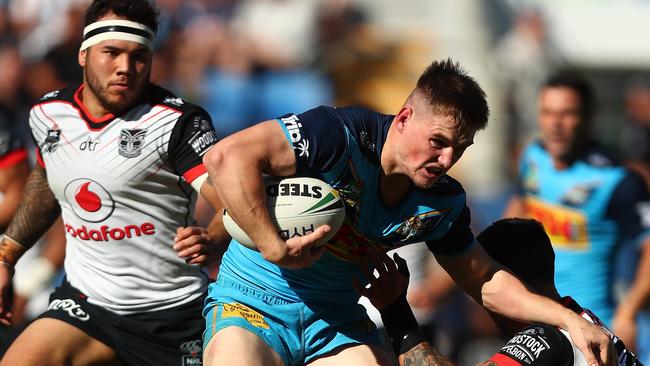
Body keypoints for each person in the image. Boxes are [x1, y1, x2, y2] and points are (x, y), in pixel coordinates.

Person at [202, 59, 612, 366]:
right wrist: (273, 246)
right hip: (251, 303)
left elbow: (485, 279)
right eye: (438, 141)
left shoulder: (442, 203)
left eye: (459, 148)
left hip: (335, 323)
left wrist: (569, 321)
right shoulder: (336, 135)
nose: (447, 158)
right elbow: (227, 157)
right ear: (403, 118)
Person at [0, 0, 228, 365]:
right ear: (84, 54)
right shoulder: (48, 113)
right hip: (86, 305)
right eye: (112, 53)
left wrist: (214, 236)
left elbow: (230, 200)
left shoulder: (178, 121)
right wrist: (7, 257)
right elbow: (46, 181)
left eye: (139, 56)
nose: (126, 68)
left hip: (171, 315)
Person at [360, 218, 642, 366]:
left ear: (509, 280)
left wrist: (397, 312)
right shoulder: (582, 320)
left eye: (483, 282)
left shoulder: (546, 337)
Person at [504, 72, 650, 354]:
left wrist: (629, 312)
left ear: (588, 117)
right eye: (547, 113)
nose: (555, 124)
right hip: (534, 320)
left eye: (567, 113)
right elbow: (519, 206)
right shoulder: (533, 157)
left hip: (592, 329)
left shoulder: (616, 180)